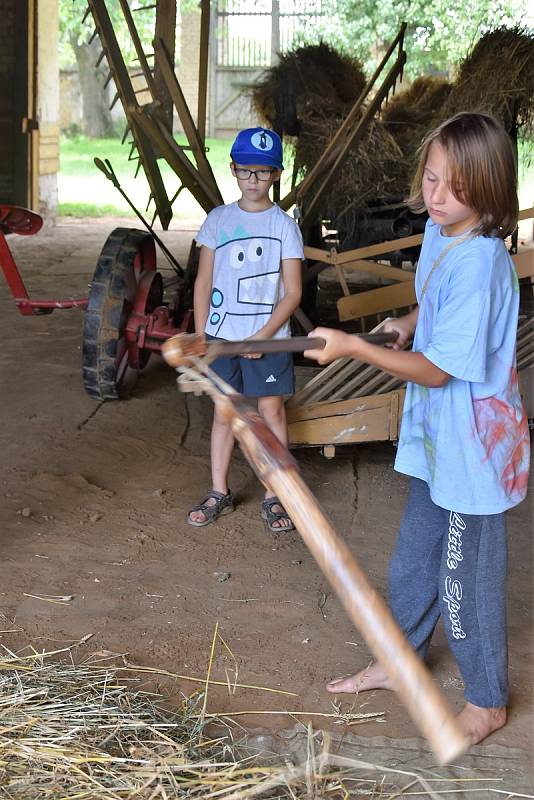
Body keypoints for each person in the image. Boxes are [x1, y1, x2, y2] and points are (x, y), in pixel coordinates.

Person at [304, 112, 530, 745]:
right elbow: (433, 311)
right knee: (412, 563)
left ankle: (487, 702)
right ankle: (401, 662)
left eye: (452, 189)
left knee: (464, 583)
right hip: (440, 441)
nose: (433, 198)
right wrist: (404, 323)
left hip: (474, 451)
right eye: (429, 179)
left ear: (488, 192)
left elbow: (435, 372)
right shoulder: (441, 233)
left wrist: (354, 347)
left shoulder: (483, 262)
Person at [188, 127, 304, 531]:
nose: (254, 181)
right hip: (222, 338)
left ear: (276, 175)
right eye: (246, 172)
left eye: (264, 172)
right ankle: (218, 489)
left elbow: (293, 292)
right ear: (233, 169)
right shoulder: (218, 221)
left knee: (270, 408)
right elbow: (203, 281)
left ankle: (276, 495)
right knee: (225, 412)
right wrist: (203, 335)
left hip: (267, 338)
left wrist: (264, 336)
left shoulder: (284, 226)